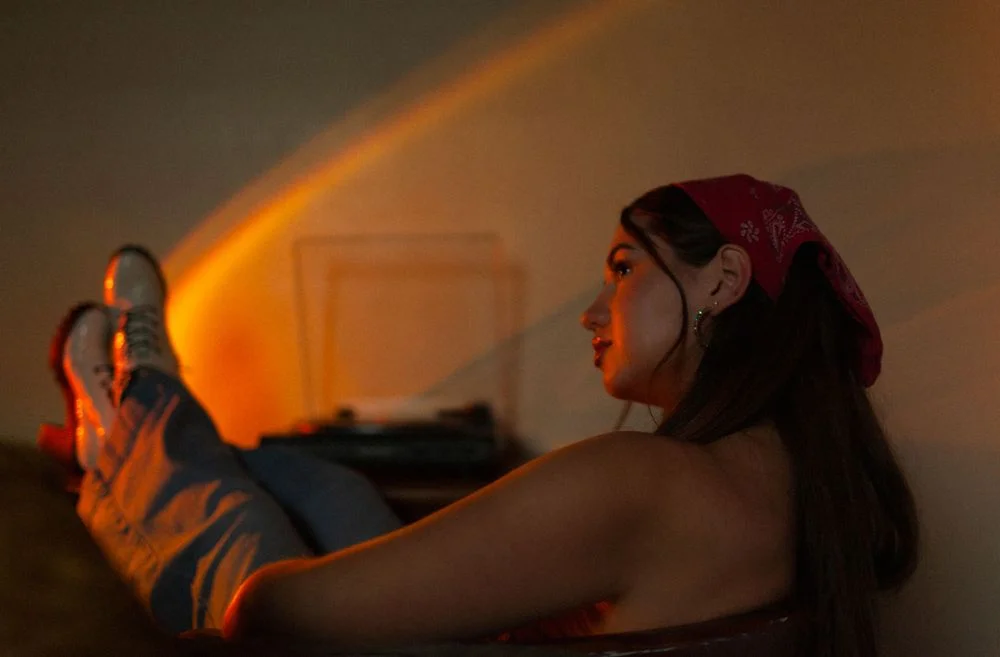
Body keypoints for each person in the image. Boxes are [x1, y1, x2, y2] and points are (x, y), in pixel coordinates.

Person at [52, 174, 918, 657]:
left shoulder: (644, 480)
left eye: (623, 269)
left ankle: (137, 410)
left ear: (724, 280)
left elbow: (266, 616)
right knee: (331, 482)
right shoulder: (809, 480)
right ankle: (143, 417)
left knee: (237, 521)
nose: (593, 312)